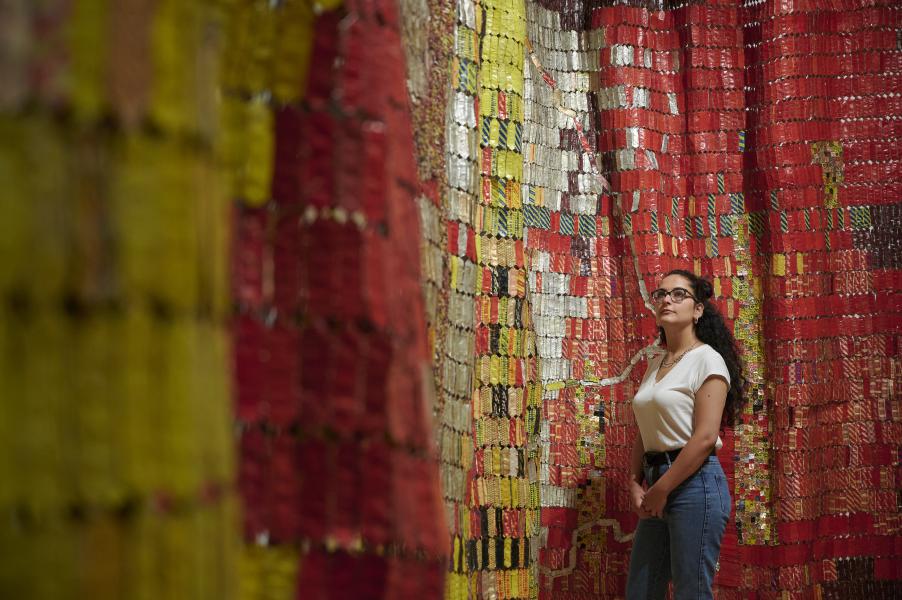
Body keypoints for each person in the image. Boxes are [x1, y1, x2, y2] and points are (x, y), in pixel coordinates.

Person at [625, 269, 746, 599]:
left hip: (695, 485)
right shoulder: (656, 363)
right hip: (656, 483)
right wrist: (635, 482)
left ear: (697, 309)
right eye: (661, 294)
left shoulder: (708, 360)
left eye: (678, 294)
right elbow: (644, 428)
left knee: (690, 593)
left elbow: (705, 438)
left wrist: (660, 490)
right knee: (641, 592)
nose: (667, 300)